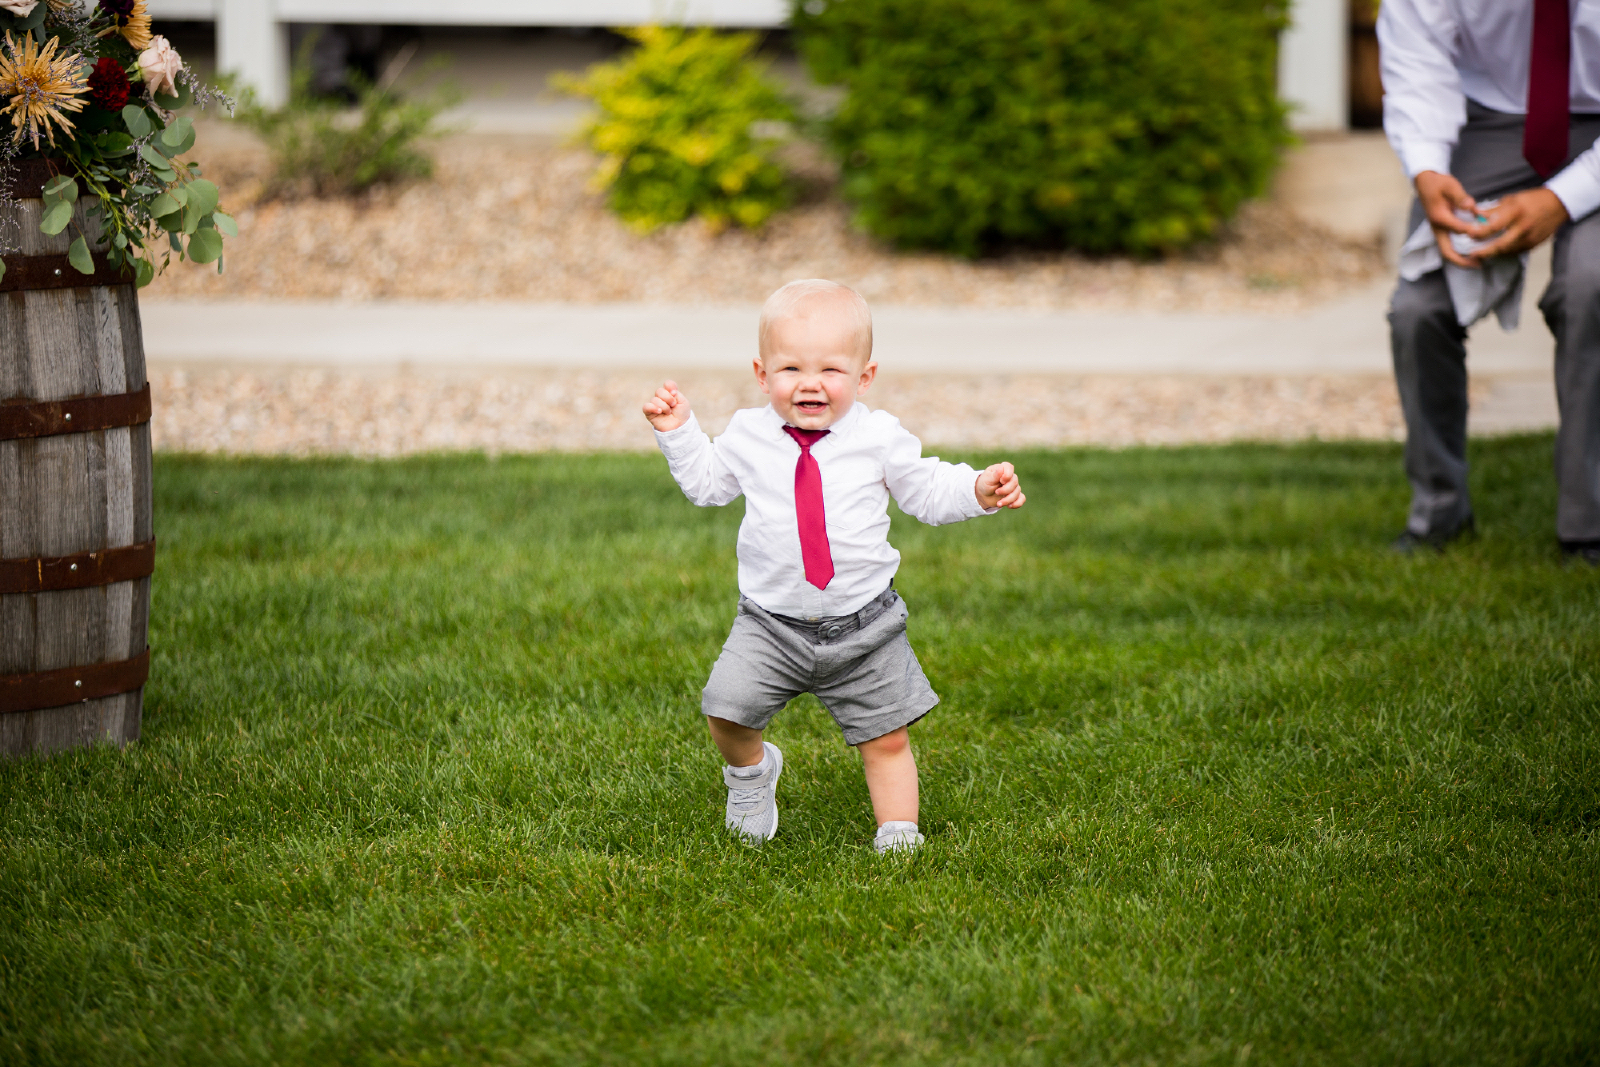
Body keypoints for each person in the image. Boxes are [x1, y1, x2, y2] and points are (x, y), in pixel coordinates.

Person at [642, 279, 1026, 853]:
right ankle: (751, 775)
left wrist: (975, 488)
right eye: (791, 368)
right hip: (769, 624)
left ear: (865, 376)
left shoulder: (878, 437)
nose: (810, 383)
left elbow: (924, 489)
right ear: (762, 374)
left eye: (831, 370)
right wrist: (679, 435)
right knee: (726, 712)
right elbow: (708, 486)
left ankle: (899, 831)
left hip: (864, 624)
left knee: (886, 739)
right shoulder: (750, 434)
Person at [1380, 0, 1600, 565]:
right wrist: (1427, 167)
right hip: (1494, 117)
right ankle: (1438, 512)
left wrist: (1560, 199)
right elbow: (1417, 57)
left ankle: (1589, 527)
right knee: (1418, 307)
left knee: (1591, 287)